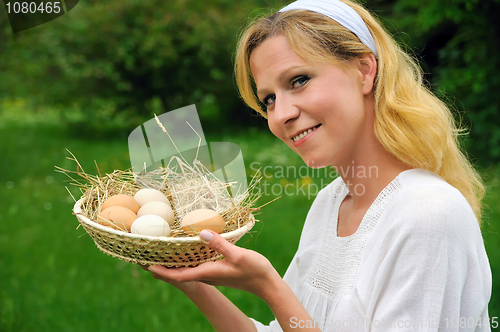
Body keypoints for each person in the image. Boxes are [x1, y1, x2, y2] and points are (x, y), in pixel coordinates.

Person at [142, 0, 492, 331]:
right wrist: (191, 279)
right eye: (269, 100)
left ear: (364, 71)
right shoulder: (331, 203)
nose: (281, 115)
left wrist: (269, 287)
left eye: (299, 81)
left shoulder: (428, 214)